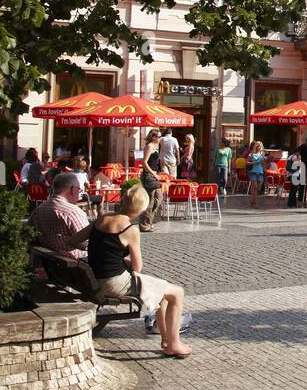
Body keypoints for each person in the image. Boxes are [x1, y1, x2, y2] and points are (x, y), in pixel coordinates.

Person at [88, 184, 191, 358]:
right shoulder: (130, 229)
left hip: (95, 277)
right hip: (113, 283)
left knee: (161, 288)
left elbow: (77, 241)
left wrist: (109, 255)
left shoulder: (102, 219)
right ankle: (174, 344)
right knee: (177, 293)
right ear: (141, 208)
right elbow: (137, 268)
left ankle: (167, 340)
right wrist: (122, 261)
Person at [30, 172, 93, 259]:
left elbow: (30, 233)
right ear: (73, 189)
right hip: (78, 264)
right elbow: (87, 242)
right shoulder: (72, 212)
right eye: (79, 190)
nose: (79, 193)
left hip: (51, 263)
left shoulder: (38, 209)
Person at [139, 130, 163, 232]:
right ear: (153, 137)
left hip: (154, 175)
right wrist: (154, 174)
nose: (160, 138)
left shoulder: (154, 147)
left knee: (159, 198)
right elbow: (144, 162)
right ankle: (144, 225)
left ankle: (149, 221)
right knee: (150, 201)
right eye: (158, 136)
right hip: (149, 175)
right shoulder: (149, 146)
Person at [245, 140, 269, 208]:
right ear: (255, 146)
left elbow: (264, 163)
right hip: (252, 171)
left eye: (260, 145)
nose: (259, 147)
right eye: (257, 145)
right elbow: (247, 162)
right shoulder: (251, 154)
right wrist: (254, 163)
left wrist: (266, 163)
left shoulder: (262, 154)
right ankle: (254, 202)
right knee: (255, 186)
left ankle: (253, 199)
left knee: (259, 186)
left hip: (260, 172)